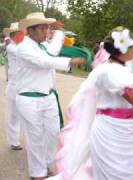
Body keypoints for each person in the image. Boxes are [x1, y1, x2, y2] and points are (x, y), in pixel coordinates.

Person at [49, 27, 133, 180]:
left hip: (120, 131)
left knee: (124, 171)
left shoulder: (114, 69)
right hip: (111, 132)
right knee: (121, 173)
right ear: (123, 49)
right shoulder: (111, 72)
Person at [15, 12, 85, 180]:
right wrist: (69, 62)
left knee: (53, 133)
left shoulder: (43, 45)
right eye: (42, 28)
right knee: (35, 137)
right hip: (29, 99)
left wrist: (59, 32)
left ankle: (49, 163)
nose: (46, 31)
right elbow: (43, 61)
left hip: (48, 97)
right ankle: (37, 173)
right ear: (30, 31)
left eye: (47, 27)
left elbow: (53, 50)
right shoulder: (23, 47)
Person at [3, 22, 24, 150]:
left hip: (24, 84)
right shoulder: (12, 46)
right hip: (14, 84)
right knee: (13, 115)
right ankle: (14, 141)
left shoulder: (21, 46)